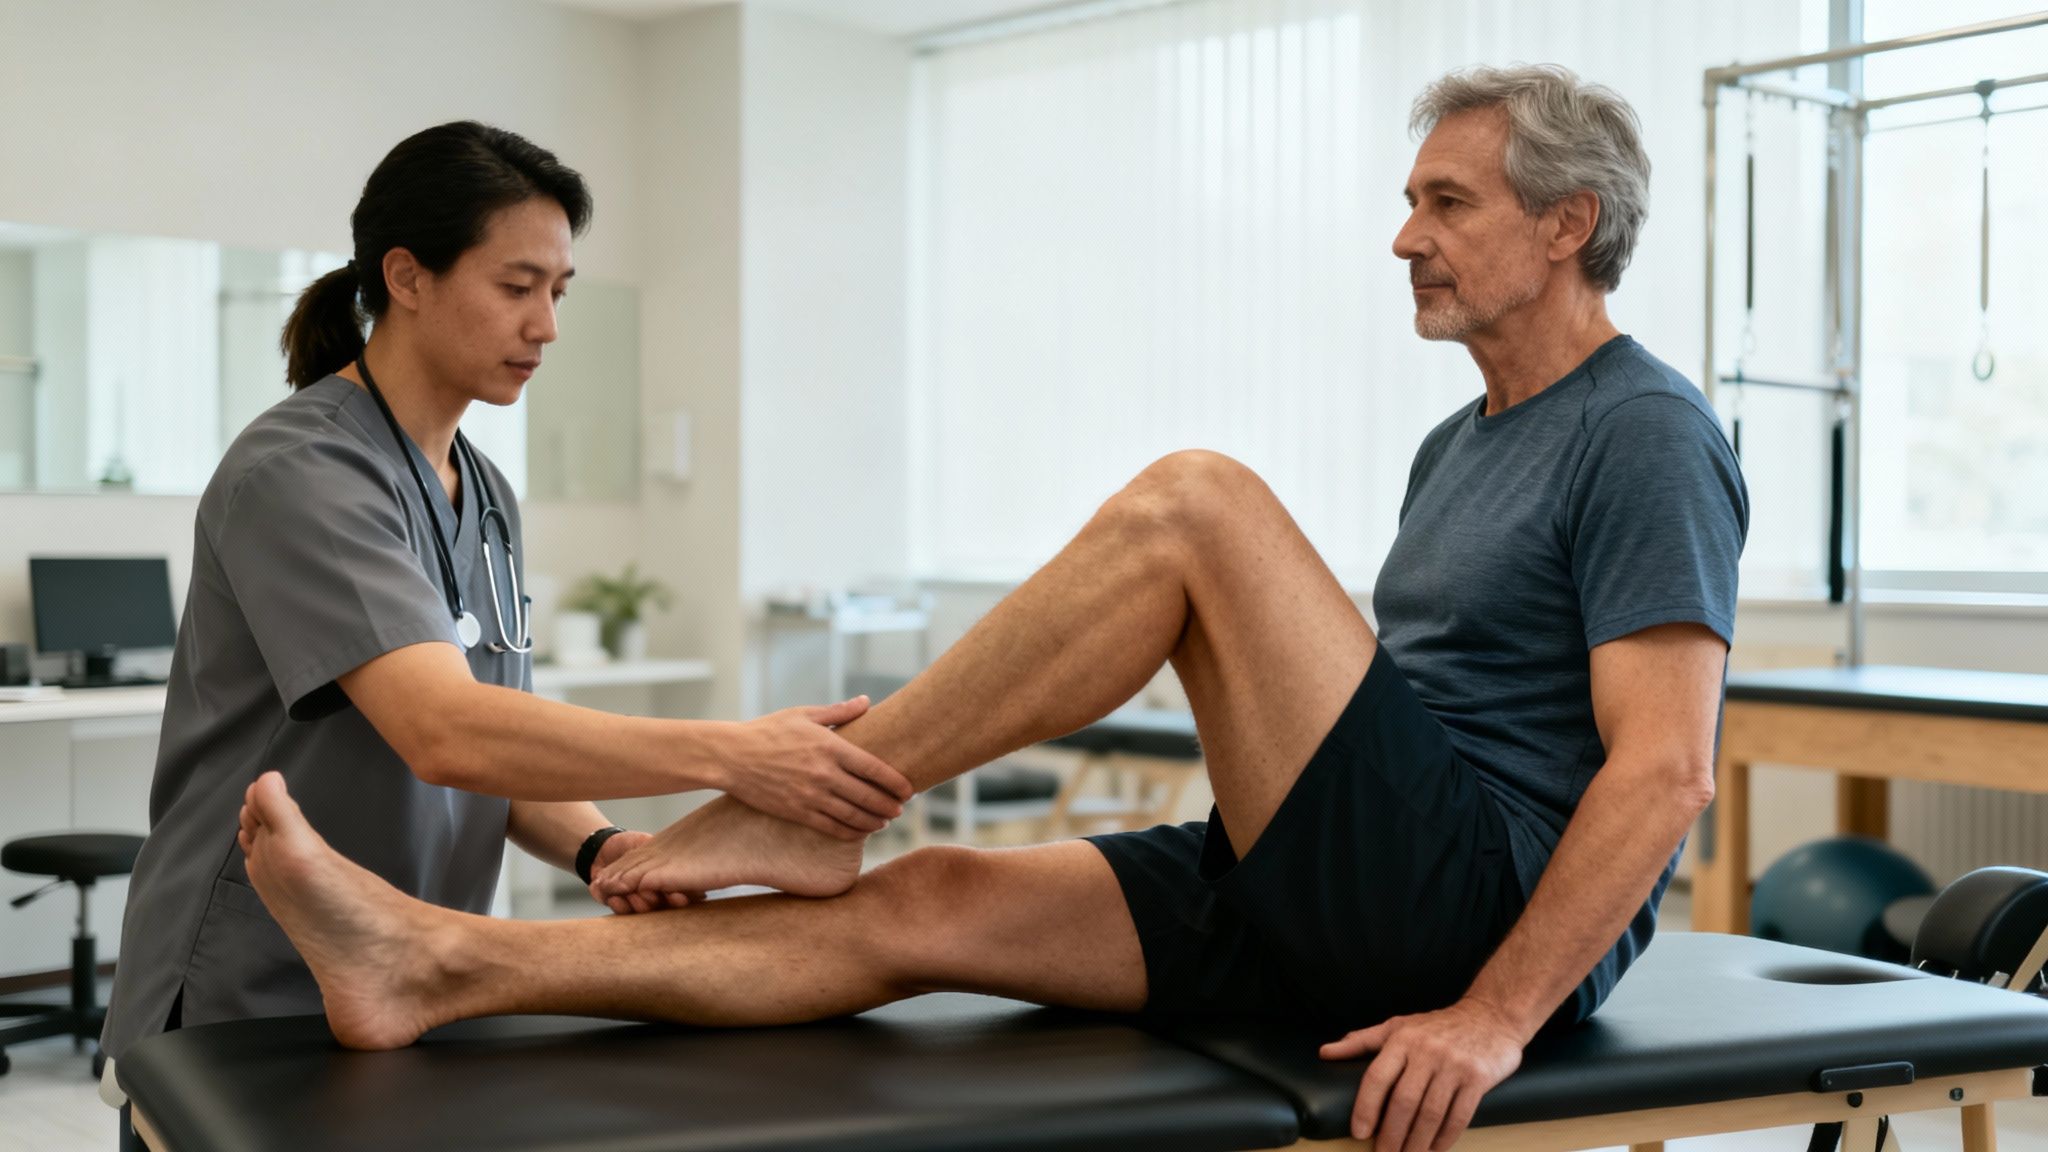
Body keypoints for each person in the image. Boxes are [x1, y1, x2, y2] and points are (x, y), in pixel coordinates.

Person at [235, 66, 1746, 1152]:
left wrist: (1491, 1018)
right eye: (1409, 201)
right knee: (928, 900)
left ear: (1569, 225)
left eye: (1445, 201)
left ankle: (819, 806)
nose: (1406, 236)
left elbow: (1668, 769)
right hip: (1340, 892)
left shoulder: (1645, 432)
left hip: (1472, 905)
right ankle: (438, 965)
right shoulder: (1460, 441)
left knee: (1198, 502)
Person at [99, 121, 915, 1129]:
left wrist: (602, 848)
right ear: (407, 276)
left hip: (421, 973)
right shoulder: (301, 472)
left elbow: (500, 740)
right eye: (516, 286)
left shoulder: (483, 494)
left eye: (559, 292)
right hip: (248, 989)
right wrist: (735, 756)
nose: (547, 326)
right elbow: (442, 732)